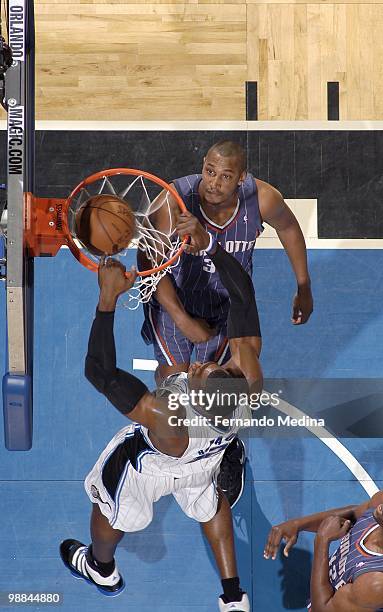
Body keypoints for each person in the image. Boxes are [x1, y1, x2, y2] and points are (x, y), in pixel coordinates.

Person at [60, 222, 263, 612]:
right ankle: (234, 597)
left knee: (111, 511)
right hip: (204, 461)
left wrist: (107, 299)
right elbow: (243, 297)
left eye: (201, 376)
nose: (202, 367)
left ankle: (100, 567)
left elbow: (98, 372)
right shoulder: (248, 384)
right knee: (210, 503)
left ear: (198, 401)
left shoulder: (166, 414)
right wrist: (212, 249)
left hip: (149, 466)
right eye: (212, 369)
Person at [140, 140, 314, 507]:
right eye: (209, 172)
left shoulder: (261, 199)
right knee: (172, 385)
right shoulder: (173, 203)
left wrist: (303, 284)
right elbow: (147, 263)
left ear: (241, 179)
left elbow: (289, 228)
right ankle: (181, 457)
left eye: (226, 176)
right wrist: (182, 319)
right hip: (175, 300)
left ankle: (224, 449)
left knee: (214, 393)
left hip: (227, 304)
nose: (214, 183)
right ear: (202, 166)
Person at [264, 488, 383, 611]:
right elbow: (354, 514)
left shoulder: (380, 582)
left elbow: (322, 609)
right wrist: (298, 524)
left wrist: (322, 541)